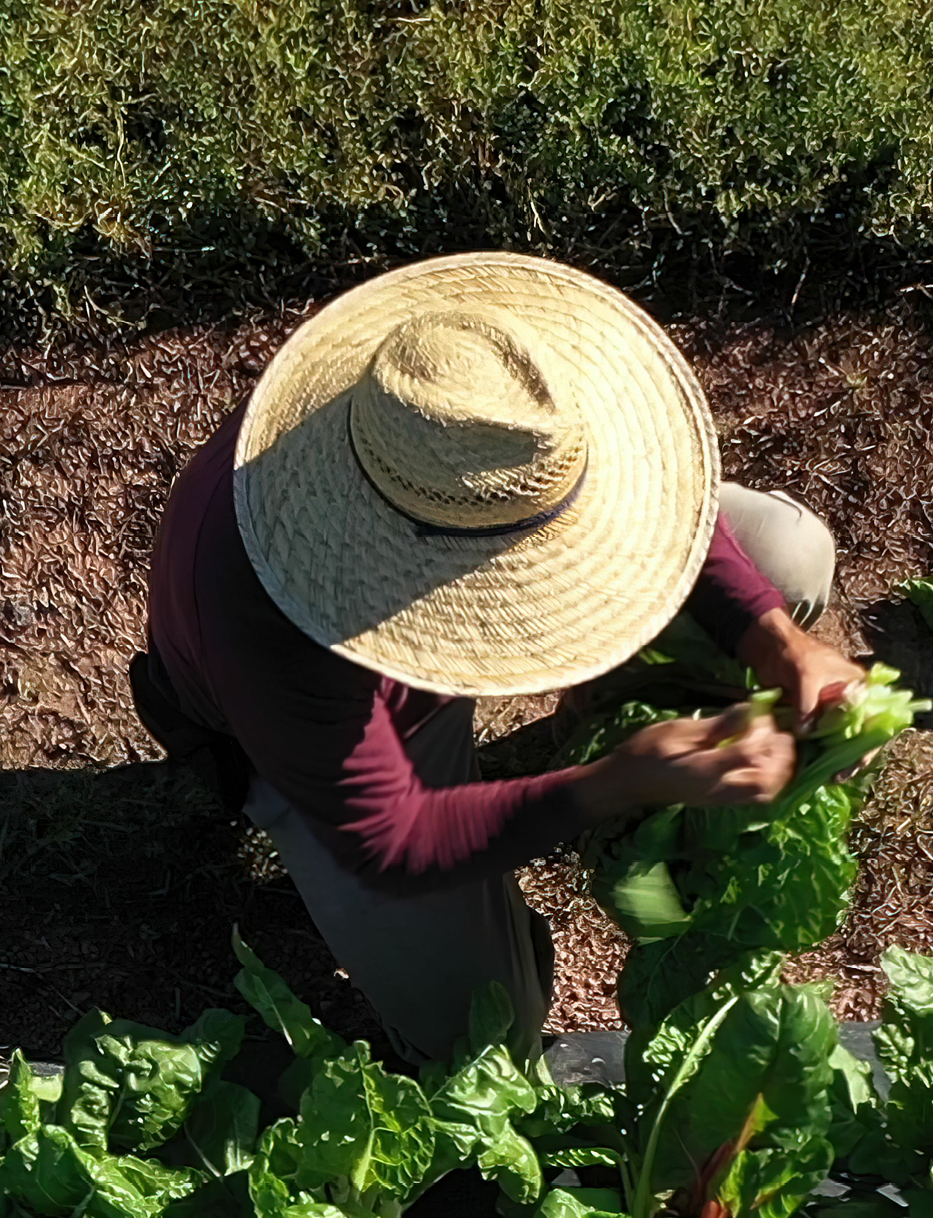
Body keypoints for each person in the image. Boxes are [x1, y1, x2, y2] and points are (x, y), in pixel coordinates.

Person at [135, 251, 863, 1065]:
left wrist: (772, 633)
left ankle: (610, 700)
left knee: (785, 560)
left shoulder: (491, 389)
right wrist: (614, 783)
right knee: (483, 1032)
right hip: (356, 725)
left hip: (416, 603)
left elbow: (665, 512)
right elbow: (394, 838)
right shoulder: (274, 605)